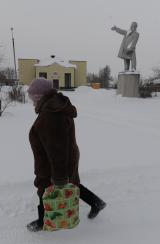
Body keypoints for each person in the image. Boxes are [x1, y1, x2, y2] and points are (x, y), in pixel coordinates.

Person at [27, 78, 106, 232]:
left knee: (44, 186)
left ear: (40, 97)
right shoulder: (54, 107)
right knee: (72, 183)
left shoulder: (50, 114)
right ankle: (96, 202)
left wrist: (59, 177)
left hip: (54, 161)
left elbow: (56, 148)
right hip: (66, 156)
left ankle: (43, 220)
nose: (32, 102)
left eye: (33, 98)